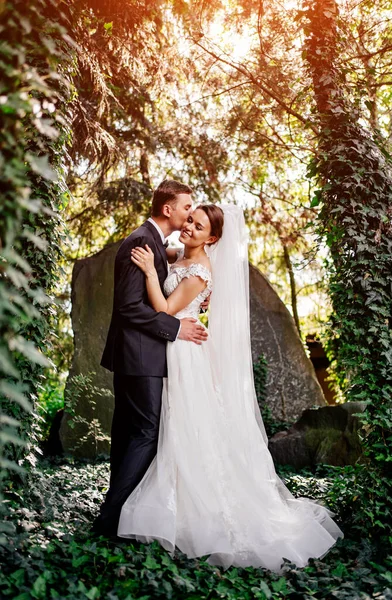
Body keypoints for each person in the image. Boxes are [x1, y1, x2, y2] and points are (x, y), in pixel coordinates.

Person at [117, 204, 343, 572]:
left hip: (185, 352)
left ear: (214, 238)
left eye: (199, 225)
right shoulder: (183, 256)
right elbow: (173, 257)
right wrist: (160, 255)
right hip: (176, 351)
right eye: (189, 219)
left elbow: (165, 308)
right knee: (178, 429)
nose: (189, 225)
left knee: (185, 429)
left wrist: (146, 272)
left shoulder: (201, 271)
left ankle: (198, 512)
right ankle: (177, 503)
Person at [92, 179, 208, 537]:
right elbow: (129, 307)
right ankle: (111, 519)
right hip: (139, 355)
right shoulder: (142, 241)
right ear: (168, 209)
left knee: (130, 432)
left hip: (137, 355)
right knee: (144, 432)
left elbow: (179, 268)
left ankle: (117, 512)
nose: (190, 213)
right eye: (187, 207)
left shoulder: (155, 244)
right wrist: (176, 329)